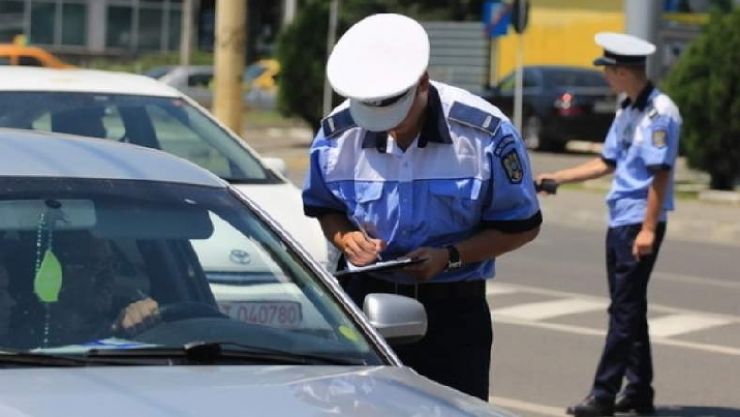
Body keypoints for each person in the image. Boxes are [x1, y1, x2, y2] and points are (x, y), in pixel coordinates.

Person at [302, 13, 541, 400]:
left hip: (452, 308)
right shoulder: (337, 135)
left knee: (454, 407)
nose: (388, 128)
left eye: (396, 114)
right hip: (365, 301)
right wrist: (347, 239)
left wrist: (450, 256)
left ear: (423, 84)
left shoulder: (485, 135)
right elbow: (324, 207)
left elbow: (522, 226)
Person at [536, 33, 681, 417]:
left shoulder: (659, 112)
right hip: (619, 219)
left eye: (608, 71)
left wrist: (649, 228)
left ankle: (603, 394)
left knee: (623, 311)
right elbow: (608, 162)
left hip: (638, 221)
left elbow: (660, 175)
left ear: (623, 70)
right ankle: (639, 391)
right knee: (629, 309)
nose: (605, 78)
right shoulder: (628, 107)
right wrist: (558, 178)